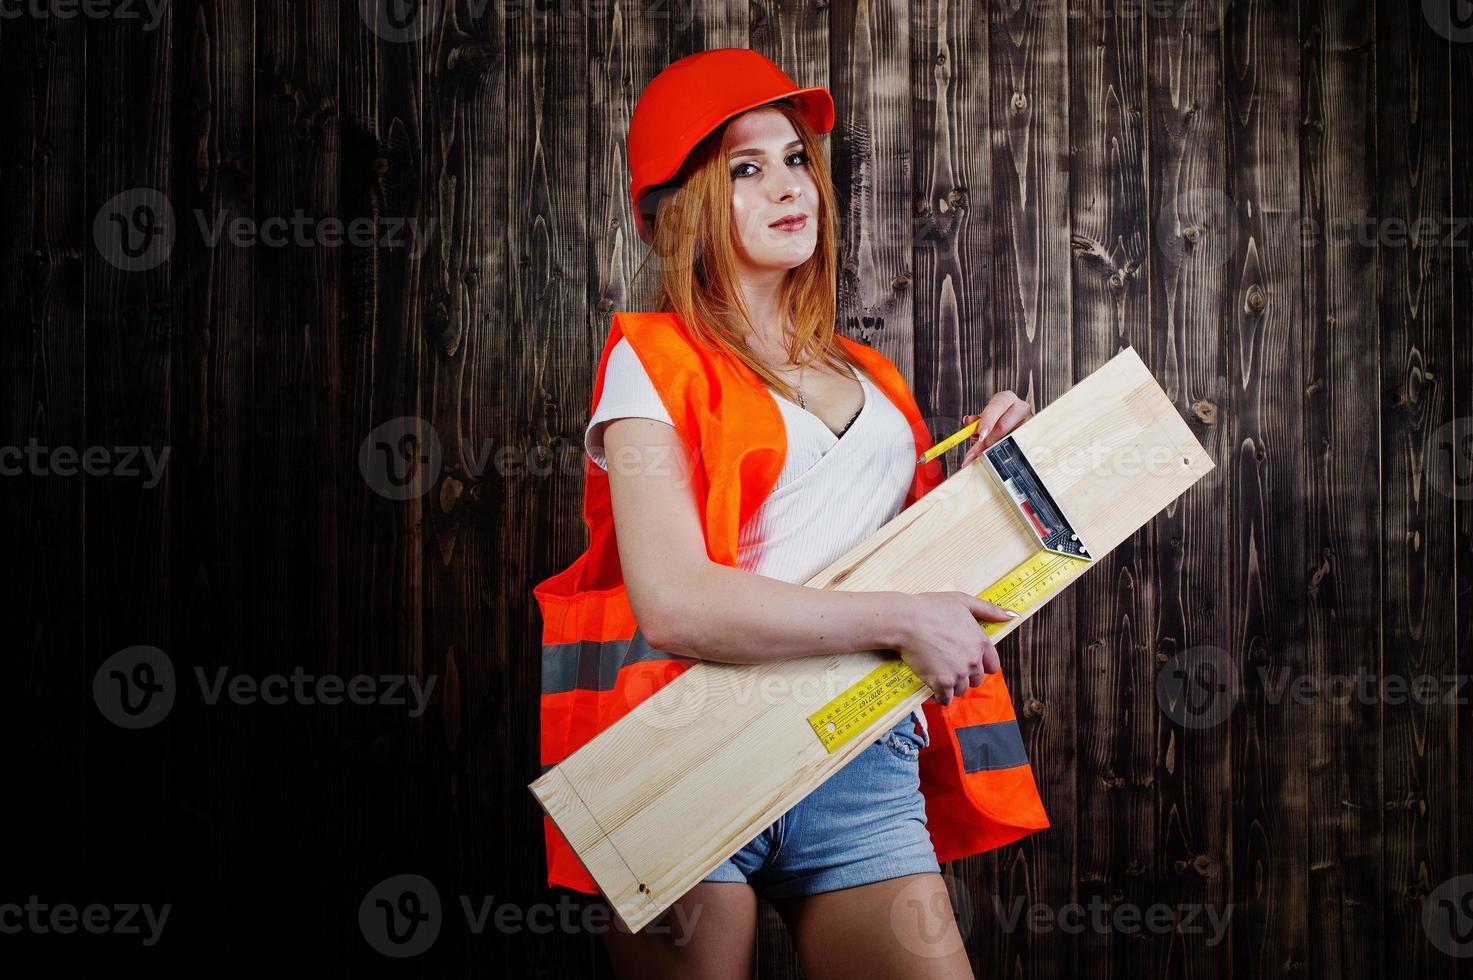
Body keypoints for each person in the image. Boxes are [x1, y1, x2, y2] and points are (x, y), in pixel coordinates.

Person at [534, 47, 1046, 980]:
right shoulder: (652, 361)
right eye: (745, 167)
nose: (788, 185)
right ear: (681, 209)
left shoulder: (872, 378)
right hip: (692, 747)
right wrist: (899, 619)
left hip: (862, 747)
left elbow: (907, 564)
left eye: (795, 158)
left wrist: (996, 473)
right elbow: (676, 605)